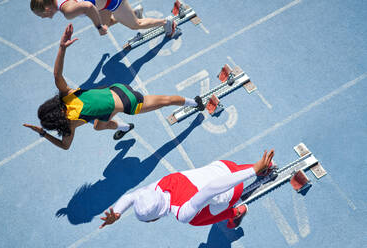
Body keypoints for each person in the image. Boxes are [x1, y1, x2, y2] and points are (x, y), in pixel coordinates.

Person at [23, 24, 204, 150]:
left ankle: (196, 103)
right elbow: (57, 75)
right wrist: (62, 48)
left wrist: (43, 134)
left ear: (57, 123)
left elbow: (65, 146)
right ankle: (126, 128)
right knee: (98, 126)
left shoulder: (70, 124)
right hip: (116, 88)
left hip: (130, 103)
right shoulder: (66, 95)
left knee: (165, 101)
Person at [99, 150, 275, 229]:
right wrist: (117, 212)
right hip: (224, 165)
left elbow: (212, 188)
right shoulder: (158, 185)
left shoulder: (182, 213)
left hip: (232, 189)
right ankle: (263, 167)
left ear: (154, 220)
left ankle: (234, 213)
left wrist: (252, 172)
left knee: (194, 220)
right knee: (216, 177)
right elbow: (131, 197)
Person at [30, 0, 179, 37]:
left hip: (110, 2)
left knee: (136, 25)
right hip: (102, 5)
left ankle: (167, 23)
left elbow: (88, 7)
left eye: (41, 15)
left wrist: (98, 27)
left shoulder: (67, 11)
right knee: (107, 24)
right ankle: (132, 13)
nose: (43, 18)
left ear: (47, 8)